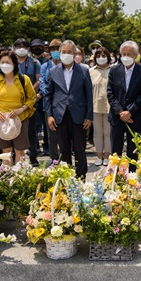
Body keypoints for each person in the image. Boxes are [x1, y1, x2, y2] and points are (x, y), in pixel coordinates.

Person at [45, 40, 93, 178]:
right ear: (59, 54)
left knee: (80, 148)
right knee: (64, 149)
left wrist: (89, 116)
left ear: (74, 53)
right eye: (63, 52)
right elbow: (48, 95)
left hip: (79, 115)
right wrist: (49, 115)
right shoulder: (53, 71)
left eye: (69, 52)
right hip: (59, 115)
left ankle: (81, 177)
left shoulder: (83, 71)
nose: (66, 54)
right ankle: (67, 177)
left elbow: (89, 95)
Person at [0, 51, 36, 164]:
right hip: (2, 120)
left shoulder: (24, 80)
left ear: (14, 64)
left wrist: (21, 109)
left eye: (7, 62)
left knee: (20, 150)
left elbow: (31, 98)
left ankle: (19, 176)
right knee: (6, 151)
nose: (4, 65)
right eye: (2, 62)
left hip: (20, 119)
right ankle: (7, 176)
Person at [107, 41, 141, 170]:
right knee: (115, 151)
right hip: (116, 117)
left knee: (133, 152)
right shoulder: (114, 70)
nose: (125, 56)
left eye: (129, 54)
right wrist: (120, 112)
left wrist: (129, 112)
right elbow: (110, 93)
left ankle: (132, 178)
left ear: (136, 55)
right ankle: (114, 177)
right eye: (123, 54)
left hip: (135, 117)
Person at [13, 38, 41, 165]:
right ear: (14, 48)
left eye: (24, 46)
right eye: (18, 46)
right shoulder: (10, 62)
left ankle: (33, 155)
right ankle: (15, 155)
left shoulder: (34, 63)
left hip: (30, 101)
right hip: (13, 102)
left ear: (29, 48)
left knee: (32, 130)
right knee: (13, 129)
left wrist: (28, 92)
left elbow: (38, 80)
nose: (21, 48)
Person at [39, 39, 62, 162]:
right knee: (51, 134)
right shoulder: (45, 66)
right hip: (48, 104)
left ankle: (65, 159)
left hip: (63, 104)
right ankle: (54, 160)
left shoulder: (67, 64)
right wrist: (50, 93)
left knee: (64, 134)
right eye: (53, 49)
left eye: (58, 48)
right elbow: (42, 82)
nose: (55, 51)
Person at [89, 47, 112, 166]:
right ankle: (99, 156)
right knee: (97, 132)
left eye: (103, 55)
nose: (101, 58)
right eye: (98, 56)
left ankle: (107, 155)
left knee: (108, 133)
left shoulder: (113, 70)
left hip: (110, 106)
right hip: (95, 106)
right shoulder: (91, 71)